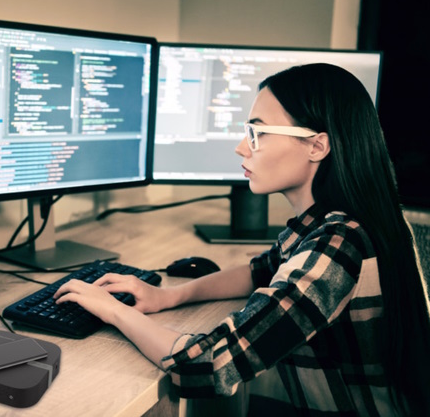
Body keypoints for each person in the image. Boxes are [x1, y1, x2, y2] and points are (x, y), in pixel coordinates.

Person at [54, 63, 430, 416]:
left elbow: (209, 364)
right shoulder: (349, 222)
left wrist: (114, 310)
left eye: (258, 132)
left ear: (317, 146)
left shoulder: (337, 247)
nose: (241, 147)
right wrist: (169, 296)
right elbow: (261, 271)